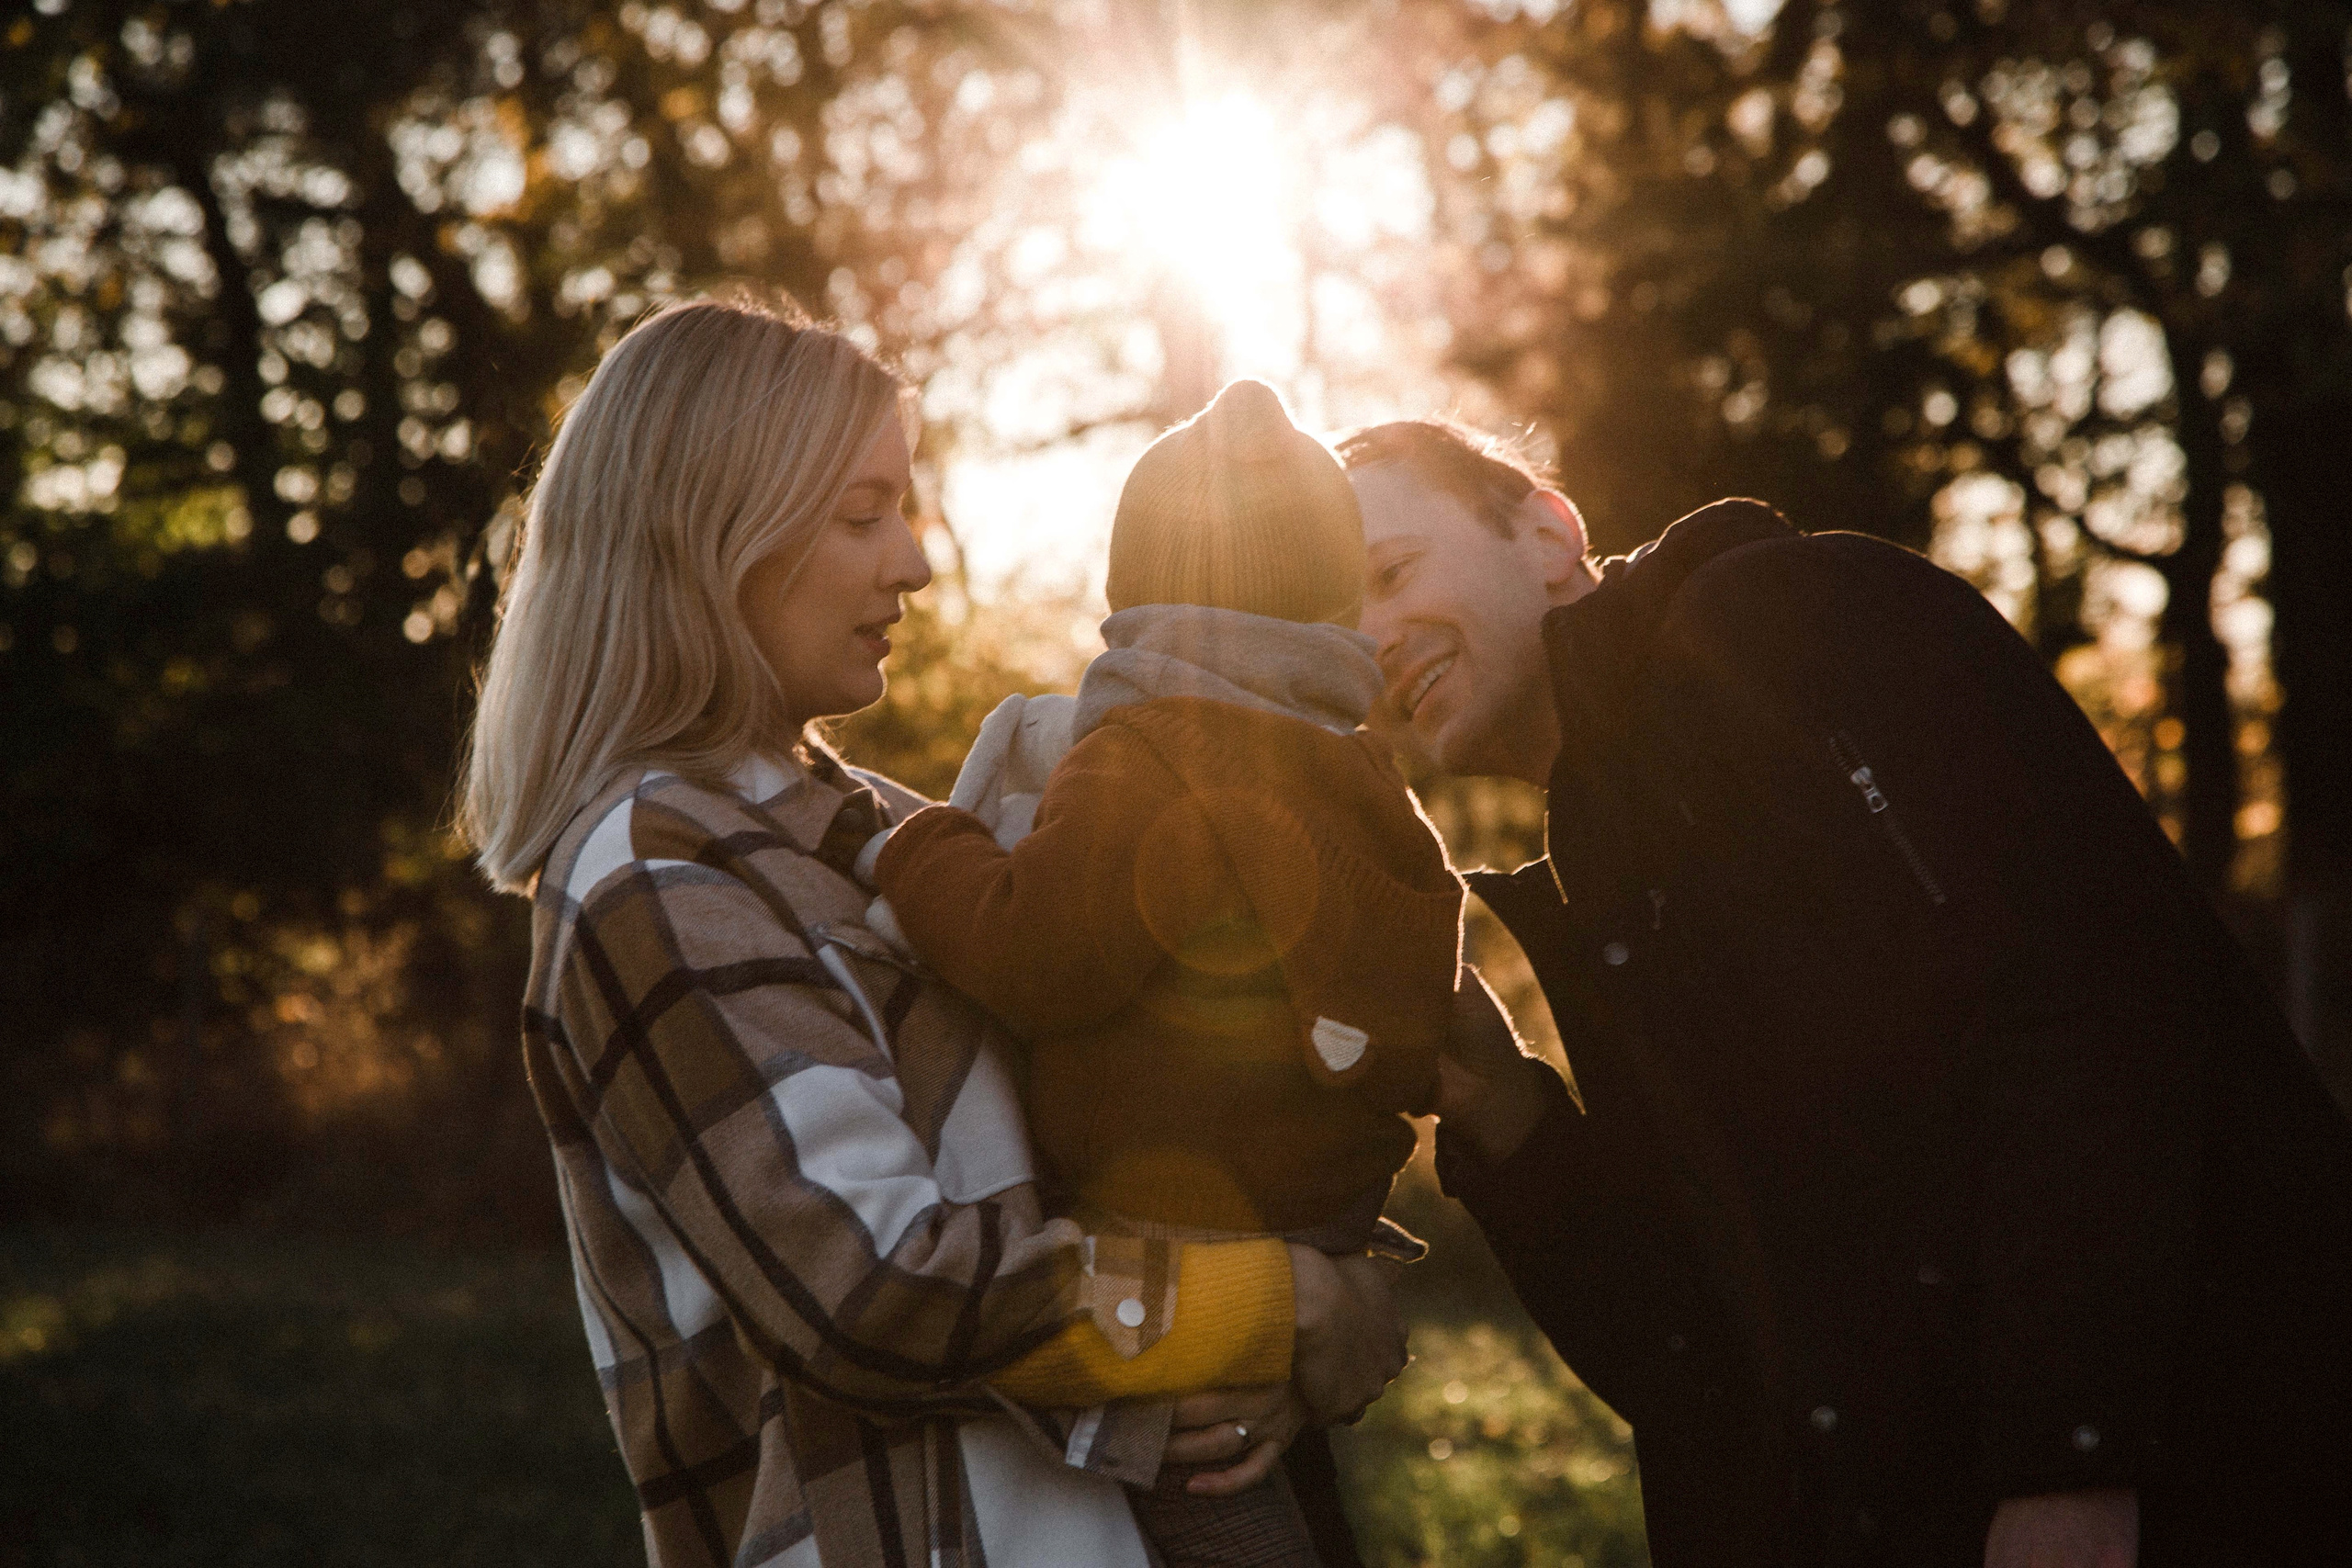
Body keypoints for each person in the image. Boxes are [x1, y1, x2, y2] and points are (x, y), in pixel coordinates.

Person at [456, 299, 1407, 1568]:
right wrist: (1278, 1305)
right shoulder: (649, 872)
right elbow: (871, 1283)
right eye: (863, 513)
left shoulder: (876, 829)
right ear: (708, 534)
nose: (911, 558)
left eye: (903, 507)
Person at [1336, 418, 2352, 1567]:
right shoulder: (1606, 868)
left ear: (1545, 531)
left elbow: (2084, 1006)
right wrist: (1505, 1121)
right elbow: (1708, 1363)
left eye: (1390, 572)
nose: (1366, 638)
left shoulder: (1786, 621)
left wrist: (2071, 1467)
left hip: (2202, 1488)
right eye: (1334, 624)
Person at [859, 380, 1462, 1566]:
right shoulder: (1364, 782)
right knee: (1281, 1476)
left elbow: (1036, 952)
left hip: (1166, 1226)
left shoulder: (1146, 750)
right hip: (1310, 1221)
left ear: (1139, 599)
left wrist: (926, 844)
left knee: (1208, 1491)